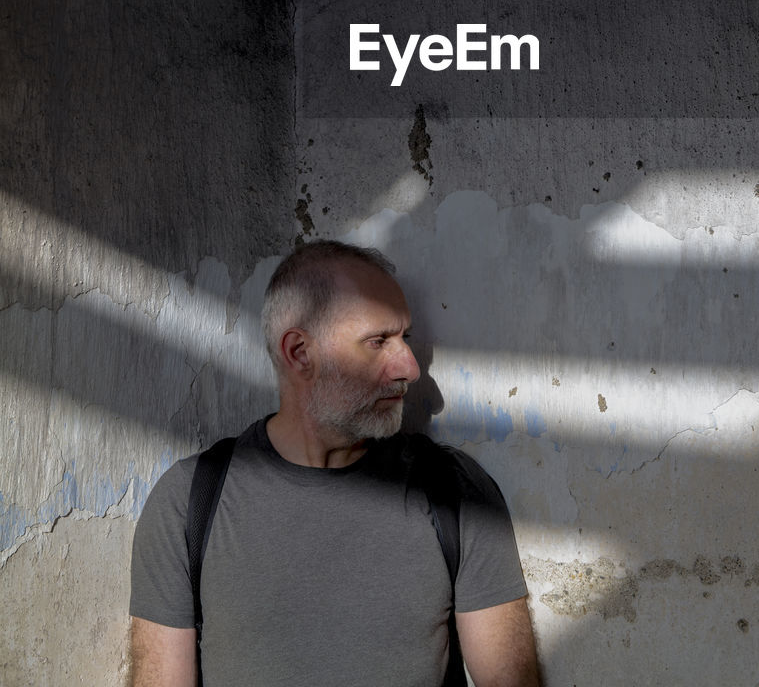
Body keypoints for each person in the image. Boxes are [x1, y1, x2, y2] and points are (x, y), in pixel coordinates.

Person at [129, 239, 540, 686]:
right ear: (300, 353)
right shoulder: (189, 502)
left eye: (405, 338)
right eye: (378, 341)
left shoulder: (454, 489)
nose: (410, 368)